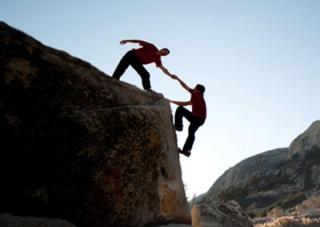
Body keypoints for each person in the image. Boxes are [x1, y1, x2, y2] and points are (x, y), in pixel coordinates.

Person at [169, 75, 207, 157]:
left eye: (195, 88)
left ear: (199, 91)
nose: (193, 89)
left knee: (180, 109)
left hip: (198, 118)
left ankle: (178, 126)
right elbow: (185, 91)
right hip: (200, 119)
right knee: (191, 132)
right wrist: (178, 79)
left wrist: (170, 101)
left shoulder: (198, 96)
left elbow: (184, 102)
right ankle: (186, 151)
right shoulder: (197, 96)